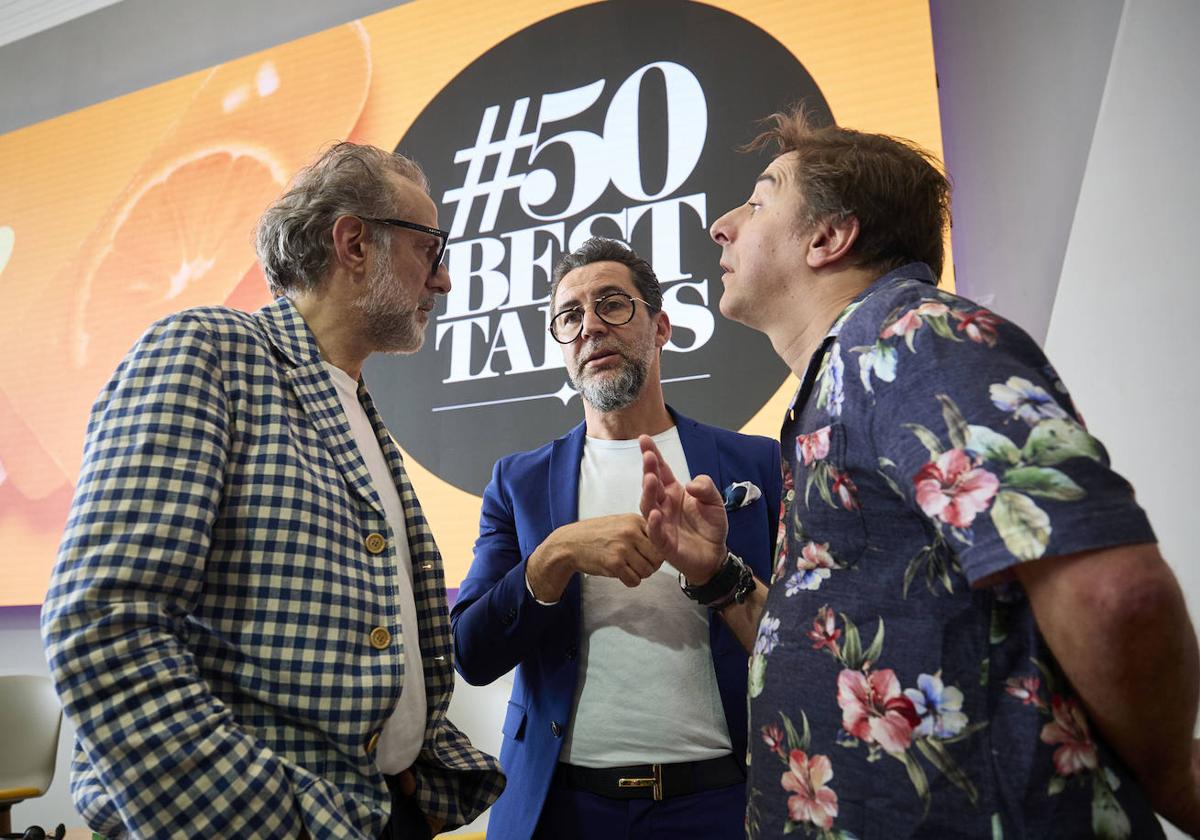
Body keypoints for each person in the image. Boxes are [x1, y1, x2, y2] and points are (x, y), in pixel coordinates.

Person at [639, 109, 1200, 838]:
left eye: (759, 198)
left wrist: (1168, 777)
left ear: (829, 237)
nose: (722, 223)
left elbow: (1116, 597)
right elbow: (844, 646)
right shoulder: (849, 374)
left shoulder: (915, 338)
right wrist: (719, 576)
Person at [40, 142, 503, 840]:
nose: (441, 281)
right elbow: (103, 623)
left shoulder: (352, 403)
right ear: (353, 243)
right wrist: (269, 823)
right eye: (430, 249)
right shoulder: (206, 352)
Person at [450, 237, 781, 839]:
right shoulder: (517, 483)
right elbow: (471, 653)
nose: (590, 326)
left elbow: (805, 654)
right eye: (570, 315)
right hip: (561, 810)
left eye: (613, 304)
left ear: (661, 328)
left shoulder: (757, 466)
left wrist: (717, 573)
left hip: (725, 804)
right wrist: (555, 556)